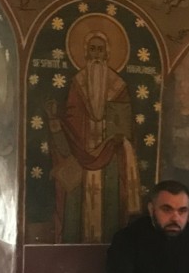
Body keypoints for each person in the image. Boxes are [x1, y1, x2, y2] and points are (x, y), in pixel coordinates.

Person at [46, 31, 142, 244]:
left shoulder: (119, 85)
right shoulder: (77, 83)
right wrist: (56, 121)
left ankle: (113, 247)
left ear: (107, 53)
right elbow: (71, 117)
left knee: (111, 204)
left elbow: (126, 121)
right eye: (92, 49)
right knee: (76, 204)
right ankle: (70, 250)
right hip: (80, 154)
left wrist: (119, 137)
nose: (96, 54)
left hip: (111, 155)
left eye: (100, 49)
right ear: (86, 53)